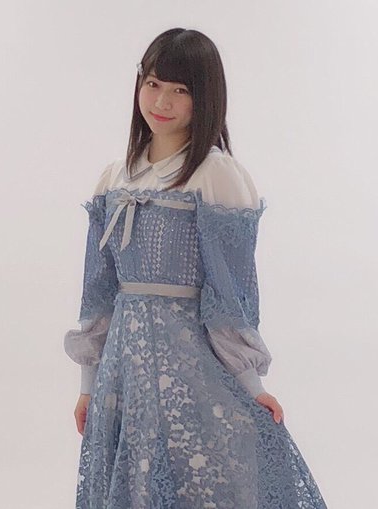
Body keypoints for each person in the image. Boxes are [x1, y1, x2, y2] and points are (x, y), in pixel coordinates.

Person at [64, 27, 328, 509]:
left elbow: (230, 296)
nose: (161, 101)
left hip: (192, 371)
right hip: (122, 375)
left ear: (204, 97)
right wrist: (89, 385)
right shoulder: (114, 178)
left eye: (180, 90)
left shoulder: (216, 174)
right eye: (153, 84)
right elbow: (98, 294)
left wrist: (251, 385)